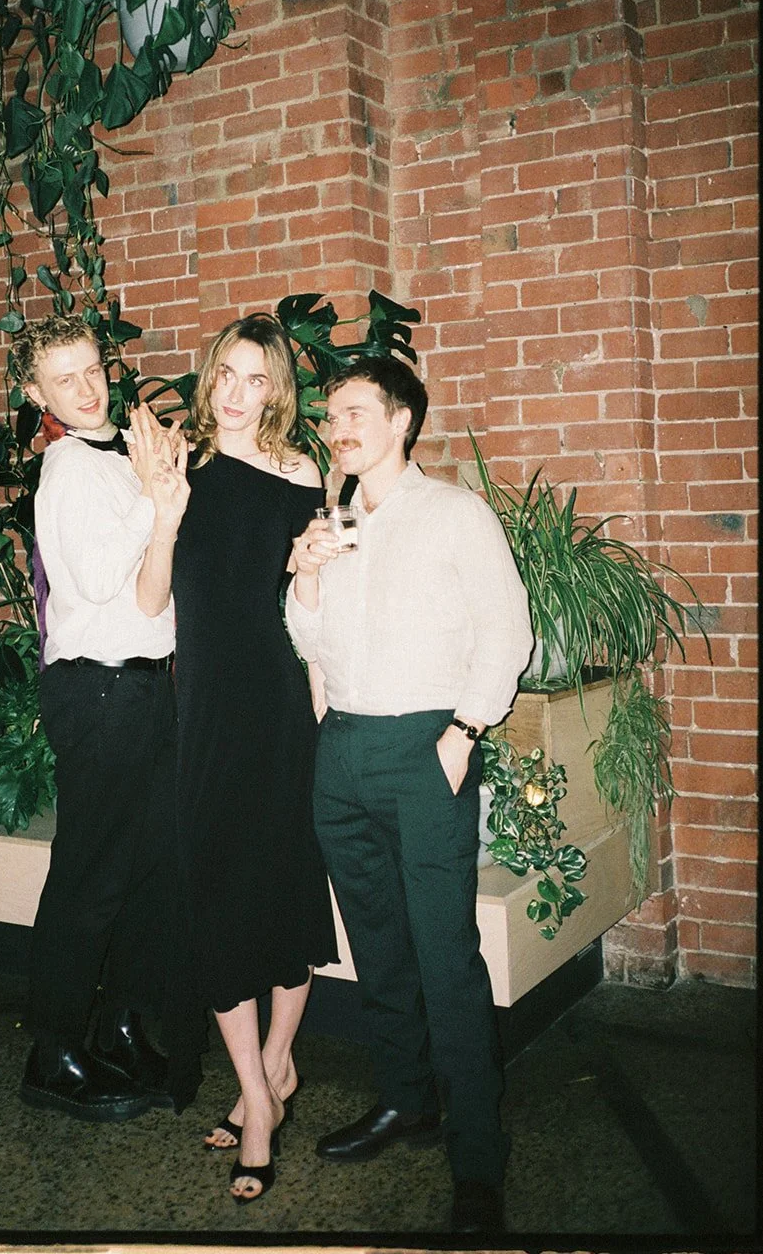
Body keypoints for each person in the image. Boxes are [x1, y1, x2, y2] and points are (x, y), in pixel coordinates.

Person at [285, 356, 533, 1236]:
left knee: (443, 953)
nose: (337, 426)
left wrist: (464, 731)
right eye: (331, 414)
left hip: (426, 744)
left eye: (355, 412)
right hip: (342, 746)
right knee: (377, 944)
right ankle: (404, 1101)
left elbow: (508, 629)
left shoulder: (455, 515)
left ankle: (476, 1158)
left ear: (401, 423)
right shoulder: (336, 519)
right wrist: (304, 572)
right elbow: (309, 642)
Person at [165, 312, 339, 1204]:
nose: (235, 394)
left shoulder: (301, 472)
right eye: (225, 375)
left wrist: (319, 704)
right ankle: (260, 1097)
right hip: (199, 705)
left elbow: (313, 600)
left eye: (255, 380)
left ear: (276, 390)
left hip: (274, 701)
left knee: (283, 882)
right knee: (217, 889)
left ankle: (267, 1074)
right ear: (209, 378)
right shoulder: (176, 466)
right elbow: (150, 589)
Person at [12, 314, 189, 1122]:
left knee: (146, 872)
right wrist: (154, 502)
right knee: (89, 879)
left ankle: (117, 1025)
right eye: (64, 380)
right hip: (98, 692)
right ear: (36, 394)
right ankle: (52, 1053)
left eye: (91, 370)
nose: (86, 390)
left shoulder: (120, 455)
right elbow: (89, 578)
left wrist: (161, 492)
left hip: (145, 686)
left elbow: (158, 583)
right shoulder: (65, 470)